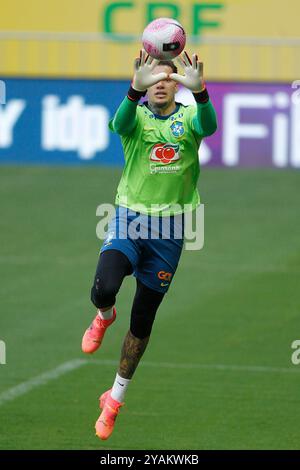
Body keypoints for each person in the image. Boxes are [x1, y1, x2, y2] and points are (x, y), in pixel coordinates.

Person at [81, 49, 217, 440]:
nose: (160, 84)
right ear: (144, 83)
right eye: (153, 78)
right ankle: (104, 316)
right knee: (104, 287)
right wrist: (131, 90)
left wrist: (202, 92)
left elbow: (209, 126)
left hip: (170, 230)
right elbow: (118, 122)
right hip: (128, 218)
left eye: (168, 78)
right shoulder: (136, 117)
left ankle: (115, 399)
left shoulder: (189, 117)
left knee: (143, 320)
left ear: (176, 85)